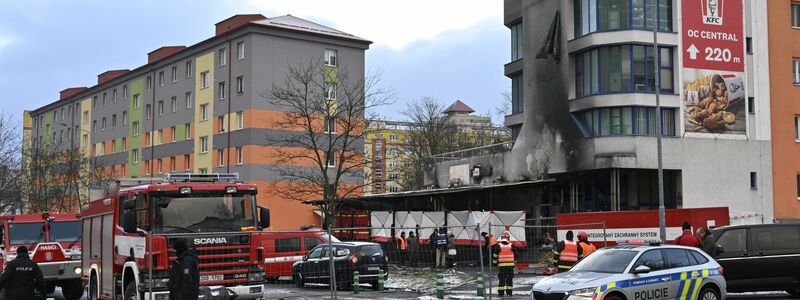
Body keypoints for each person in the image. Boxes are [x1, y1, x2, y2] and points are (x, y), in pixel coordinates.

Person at [492, 231, 517, 296]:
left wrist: (494, 263)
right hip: (510, 266)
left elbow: (495, 255)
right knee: (509, 279)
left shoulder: (498, 246)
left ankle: (501, 293)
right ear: (508, 238)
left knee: (502, 280)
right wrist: (515, 261)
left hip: (502, 266)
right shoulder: (512, 245)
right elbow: (516, 254)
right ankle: (509, 293)